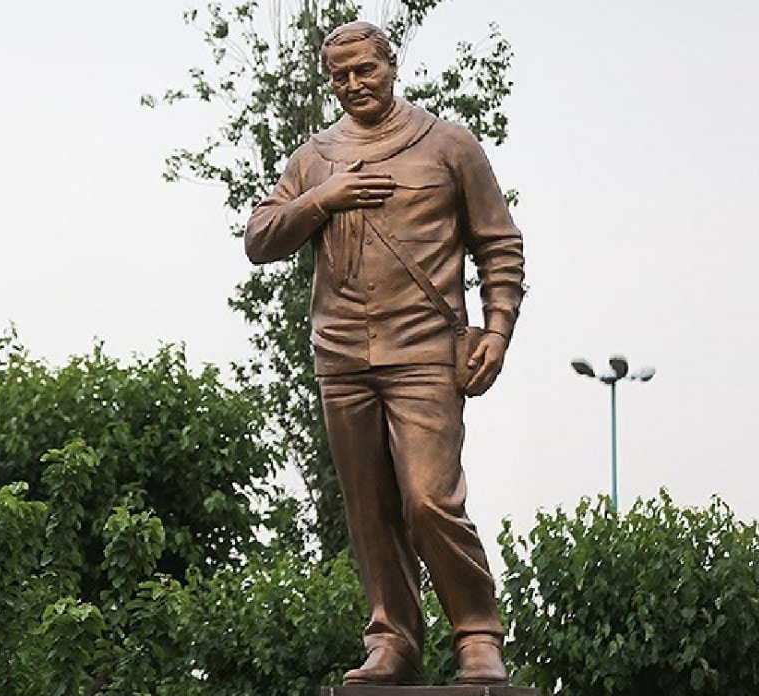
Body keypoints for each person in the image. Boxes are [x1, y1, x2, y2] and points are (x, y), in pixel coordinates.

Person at [244, 20, 525, 686]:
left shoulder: (448, 144)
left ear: (391, 66)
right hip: (341, 353)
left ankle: (477, 634)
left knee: (428, 498)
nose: (353, 84)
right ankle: (392, 639)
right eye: (339, 76)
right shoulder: (314, 158)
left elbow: (498, 244)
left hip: (425, 350)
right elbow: (259, 238)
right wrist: (323, 198)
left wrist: (497, 329)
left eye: (364, 70)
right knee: (369, 508)